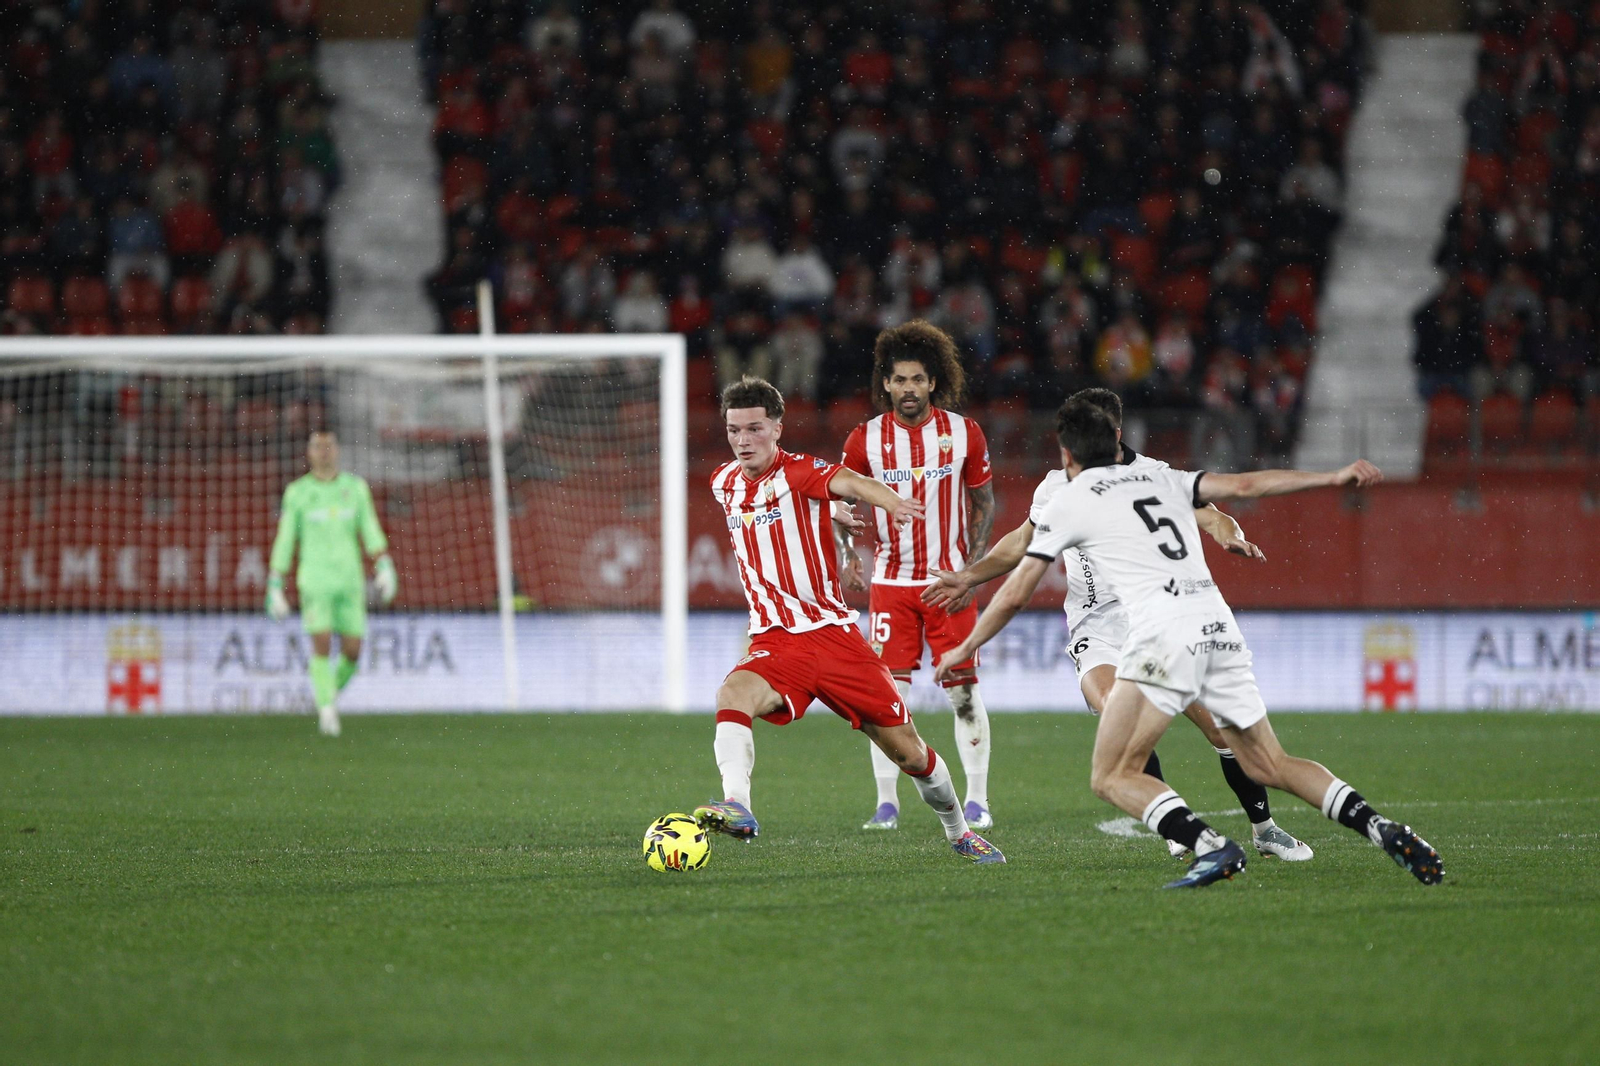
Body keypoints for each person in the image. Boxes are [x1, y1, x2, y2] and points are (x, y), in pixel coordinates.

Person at [935, 399, 1443, 889]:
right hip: (1212, 624)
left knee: (1110, 775)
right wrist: (1331, 477)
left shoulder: (1071, 498)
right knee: (1270, 762)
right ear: (1112, 441)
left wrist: (966, 645)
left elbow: (1018, 592)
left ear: (1068, 453)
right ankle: (1381, 828)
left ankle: (1207, 842)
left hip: (1159, 631)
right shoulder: (1163, 477)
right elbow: (1246, 484)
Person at [924, 388, 1313, 862]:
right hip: (1097, 628)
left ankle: (1264, 828)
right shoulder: (1055, 488)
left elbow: (1211, 514)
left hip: (1160, 618)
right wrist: (968, 575)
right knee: (1115, 709)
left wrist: (1230, 534)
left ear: (1116, 432)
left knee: (1220, 730)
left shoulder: (1152, 475)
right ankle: (1174, 824)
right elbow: (1021, 541)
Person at [693, 377, 1004, 865]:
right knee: (732, 695)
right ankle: (738, 805)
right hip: (777, 641)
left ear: (777, 428)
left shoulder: (799, 471)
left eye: (754, 429)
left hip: (835, 639)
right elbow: (781, 512)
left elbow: (851, 482)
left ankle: (959, 830)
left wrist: (891, 503)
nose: (743, 440)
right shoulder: (723, 483)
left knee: (911, 755)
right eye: (734, 430)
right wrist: (829, 515)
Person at [836, 321, 998, 831]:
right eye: (899, 380)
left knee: (963, 692)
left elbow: (983, 501)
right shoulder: (865, 439)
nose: (908, 389)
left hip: (948, 585)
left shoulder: (963, 432)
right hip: (890, 585)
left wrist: (970, 571)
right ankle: (888, 803)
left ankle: (977, 800)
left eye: (917, 380)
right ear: (885, 383)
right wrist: (847, 552)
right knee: (887, 699)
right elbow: (839, 500)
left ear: (933, 383)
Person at [266, 430, 398, 736]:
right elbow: (286, 539)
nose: (323, 450)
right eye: (316, 445)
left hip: (350, 582)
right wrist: (275, 583)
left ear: (337, 450)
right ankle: (327, 710)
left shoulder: (355, 488)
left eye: (328, 445)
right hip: (315, 581)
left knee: (353, 651)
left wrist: (384, 565)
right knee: (322, 643)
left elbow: (370, 528)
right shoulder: (297, 493)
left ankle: (327, 693)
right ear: (308, 453)